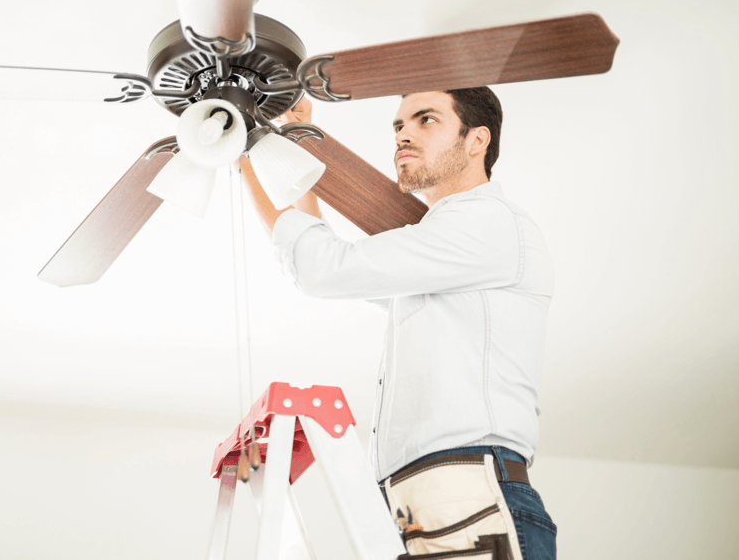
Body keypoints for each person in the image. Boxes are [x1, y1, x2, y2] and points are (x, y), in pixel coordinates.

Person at [239, 88, 558, 560]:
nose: (403, 133)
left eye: (426, 119)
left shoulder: (488, 225)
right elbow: (331, 265)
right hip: (428, 503)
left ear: (477, 141)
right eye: (398, 125)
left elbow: (321, 268)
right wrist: (292, 144)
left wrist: (242, 157)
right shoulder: (442, 252)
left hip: (469, 497)